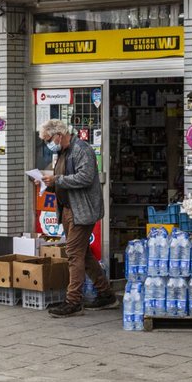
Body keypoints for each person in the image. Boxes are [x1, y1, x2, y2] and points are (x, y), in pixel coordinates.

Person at [37, 118, 116, 317]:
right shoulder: (63, 152)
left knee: (73, 253)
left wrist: (57, 180)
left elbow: (86, 177)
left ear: (59, 135)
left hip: (82, 211)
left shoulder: (82, 149)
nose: (48, 143)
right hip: (68, 210)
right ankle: (106, 294)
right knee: (84, 254)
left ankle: (73, 301)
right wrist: (50, 183)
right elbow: (65, 180)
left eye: (48, 139)